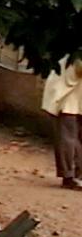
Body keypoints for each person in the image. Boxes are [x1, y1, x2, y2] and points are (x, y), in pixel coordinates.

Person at [42, 55, 82, 190]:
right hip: (66, 98)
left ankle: (75, 175)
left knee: (73, 139)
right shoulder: (76, 52)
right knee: (68, 139)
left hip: (75, 97)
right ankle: (69, 176)